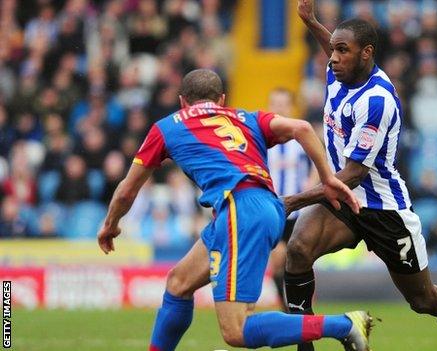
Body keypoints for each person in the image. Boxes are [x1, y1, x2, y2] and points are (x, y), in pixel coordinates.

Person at [283, 2, 437, 351]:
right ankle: (304, 345)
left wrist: (290, 202)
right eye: (333, 50)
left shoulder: (377, 101)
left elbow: (353, 174)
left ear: (367, 54)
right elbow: (332, 45)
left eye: (342, 51)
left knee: (424, 299)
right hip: (345, 202)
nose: (333, 58)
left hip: (382, 207)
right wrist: (312, 22)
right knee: (299, 249)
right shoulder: (339, 71)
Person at [96, 69, 374, 351]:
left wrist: (110, 224)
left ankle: (344, 325)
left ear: (182, 102)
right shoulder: (248, 118)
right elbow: (302, 128)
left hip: (239, 210)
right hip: (264, 206)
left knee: (236, 331)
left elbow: (127, 191)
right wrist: (328, 177)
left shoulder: (166, 127)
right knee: (179, 283)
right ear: (222, 99)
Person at [265, 88, 317, 310]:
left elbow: (318, 161)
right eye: (275, 103)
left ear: (290, 106)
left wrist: (311, 183)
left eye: (283, 103)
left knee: (295, 260)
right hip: (273, 208)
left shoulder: (300, 135)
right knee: (278, 260)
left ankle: (295, 306)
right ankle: (286, 307)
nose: (279, 107)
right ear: (269, 106)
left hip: (298, 210)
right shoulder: (263, 138)